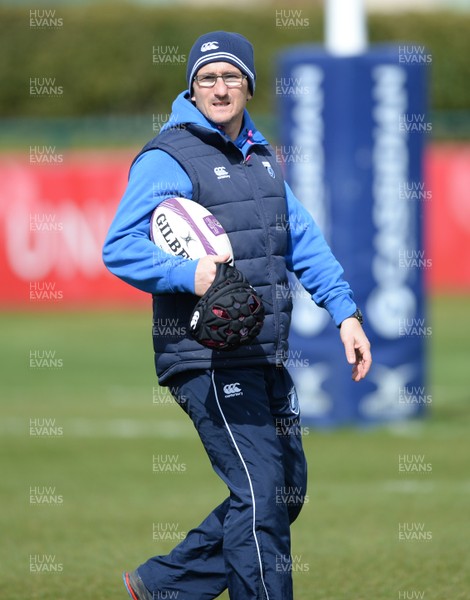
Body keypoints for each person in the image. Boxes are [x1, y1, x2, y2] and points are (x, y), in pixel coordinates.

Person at [103, 30, 371, 600]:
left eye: (230, 77)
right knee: (262, 496)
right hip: (207, 354)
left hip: (264, 349)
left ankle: (164, 583)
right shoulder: (168, 157)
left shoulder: (261, 157)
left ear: (248, 85)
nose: (219, 88)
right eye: (207, 78)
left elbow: (300, 237)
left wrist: (345, 311)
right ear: (192, 87)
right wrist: (190, 274)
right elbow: (119, 246)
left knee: (286, 489)